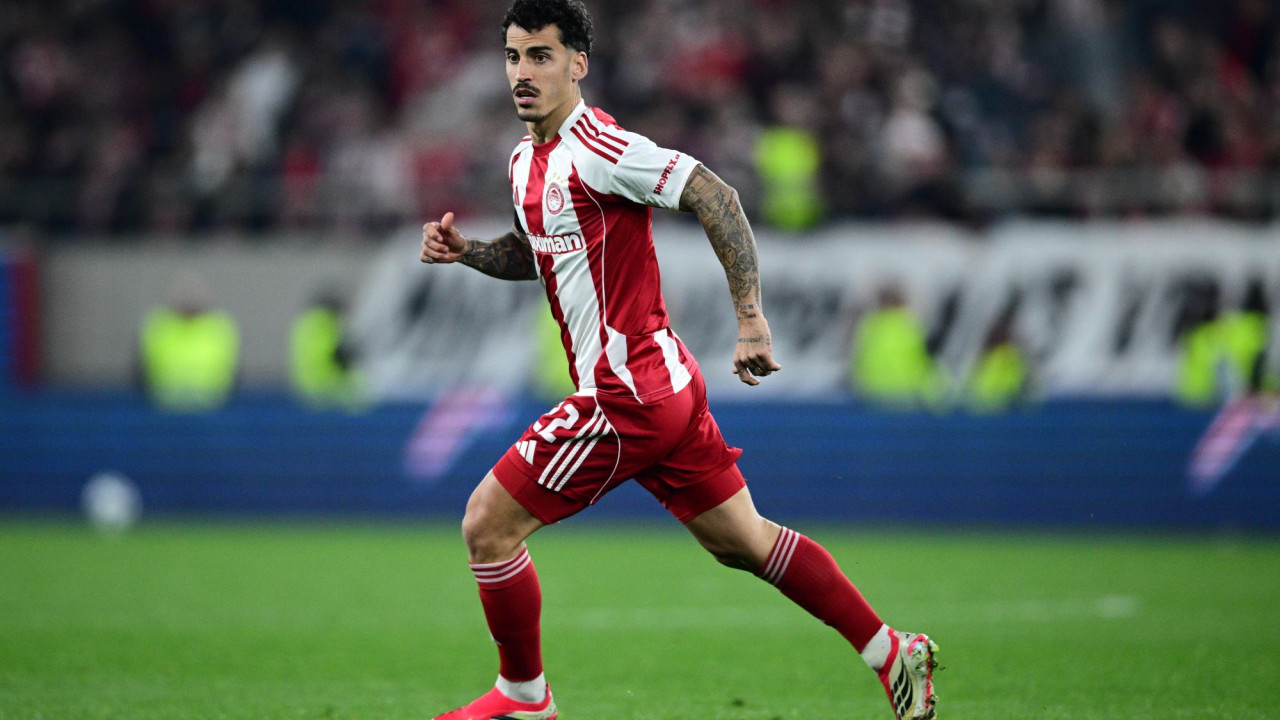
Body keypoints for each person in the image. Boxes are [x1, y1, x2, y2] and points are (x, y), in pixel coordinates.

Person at [419, 3, 938, 719]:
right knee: (745, 542)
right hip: (665, 385)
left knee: (487, 524)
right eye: (513, 57)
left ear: (578, 64)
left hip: (624, 394)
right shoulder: (522, 162)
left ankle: (523, 698)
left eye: (541, 56)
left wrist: (750, 318)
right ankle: (890, 650)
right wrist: (469, 252)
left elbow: (714, 194)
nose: (523, 72)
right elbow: (534, 253)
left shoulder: (599, 148)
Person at [138, 272, 240, 412]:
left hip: (212, 407)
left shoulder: (219, 327)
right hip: (163, 408)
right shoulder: (158, 326)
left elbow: (234, 372)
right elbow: (141, 370)